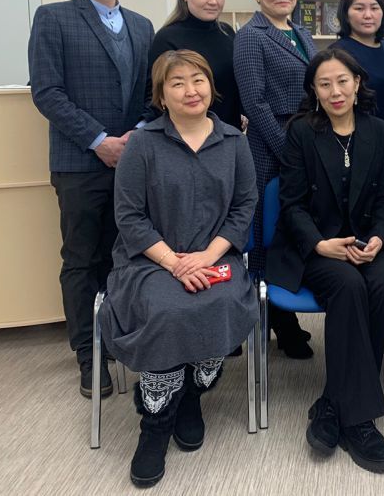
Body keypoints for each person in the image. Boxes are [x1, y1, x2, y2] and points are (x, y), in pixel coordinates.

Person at [100, 50, 259, 488]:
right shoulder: (143, 144)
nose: (191, 90)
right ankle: (155, 425)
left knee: (219, 301)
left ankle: (190, 394)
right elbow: (129, 215)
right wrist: (173, 262)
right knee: (168, 309)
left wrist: (207, 256)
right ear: (161, 95)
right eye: (177, 83)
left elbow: (244, 206)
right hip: (149, 260)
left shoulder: (234, 141)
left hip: (215, 257)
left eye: (198, 80)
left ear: (211, 86)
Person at [27, 0, 154, 398]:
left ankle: (121, 339)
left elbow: (151, 91)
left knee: (125, 255)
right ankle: (89, 354)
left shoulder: (141, 26)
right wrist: (100, 141)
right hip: (79, 163)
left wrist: (138, 133)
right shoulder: (54, 18)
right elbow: (47, 92)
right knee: (82, 259)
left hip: (132, 162)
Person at [267, 49, 384, 474]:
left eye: (342, 81)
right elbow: (291, 203)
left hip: (366, 241)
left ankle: (333, 402)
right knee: (348, 284)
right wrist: (320, 244)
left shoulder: (378, 130)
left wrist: (380, 238)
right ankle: (358, 422)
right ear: (314, 90)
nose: (335, 91)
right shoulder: (301, 131)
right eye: (324, 84)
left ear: (357, 83)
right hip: (314, 246)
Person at [233, 0, 315, 359]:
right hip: (270, 146)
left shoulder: (301, 32)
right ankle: (273, 323)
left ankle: (283, 319)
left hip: (305, 138)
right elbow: (255, 102)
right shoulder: (251, 36)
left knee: (293, 228)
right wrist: (289, 153)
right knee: (266, 235)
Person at [149, 0, 241, 128]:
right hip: (187, 137)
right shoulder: (167, 39)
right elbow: (155, 102)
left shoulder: (228, 33)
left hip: (230, 135)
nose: (213, 1)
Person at [330, 0, 384, 139]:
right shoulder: (337, 54)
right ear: (346, 14)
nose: (368, 15)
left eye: (374, 8)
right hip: (358, 138)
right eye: (359, 8)